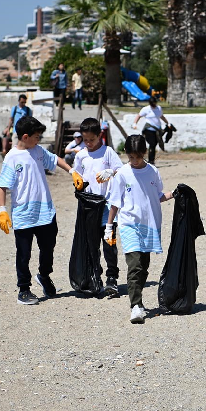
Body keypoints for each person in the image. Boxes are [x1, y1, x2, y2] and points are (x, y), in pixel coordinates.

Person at [0, 116, 85, 305]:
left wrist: (72, 172)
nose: (39, 139)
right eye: (37, 136)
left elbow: (56, 159)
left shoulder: (37, 151)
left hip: (45, 212)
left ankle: (44, 275)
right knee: (24, 253)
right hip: (23, 214)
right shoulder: (12, 158)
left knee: (48, 248)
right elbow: (3, 185)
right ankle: (24, 289)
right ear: (26, 136)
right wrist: (3, 210)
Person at [105, 135, 175, 323]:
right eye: (131, 157)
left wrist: (174, 194)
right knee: (134, 265)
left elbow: (157, 196)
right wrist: (109, 226)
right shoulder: (122, 174)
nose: (134, 161)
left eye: (138, 157)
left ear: (144, 153)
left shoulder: (152, 171)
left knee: (143, 267)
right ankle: (135, 305)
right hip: (129, 224)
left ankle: (138, 299)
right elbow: (115, 203)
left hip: (150, 224)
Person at [73, 118, 123, 296]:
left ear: (99, 136)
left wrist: (111, 171)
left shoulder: (107, 152)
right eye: (85, 140)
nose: (88, 143)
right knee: (92, 244)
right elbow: (77, 173)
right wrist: (77, 181)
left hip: (107, 205)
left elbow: (122, 169)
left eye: (91, 140)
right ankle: (96, 276)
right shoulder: (81, 155)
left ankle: (112, 278)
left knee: (109, 243)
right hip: (89, 205)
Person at [133, 96, 170, 165]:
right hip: (149, 129)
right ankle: (150, 160)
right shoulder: (146, 109)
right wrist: (135, 123)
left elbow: (161, 116)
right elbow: (139, 116)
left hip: (157, 130)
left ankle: (151, 160)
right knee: (152, 144)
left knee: (154, 145)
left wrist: (167, 123)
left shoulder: (159, 108)